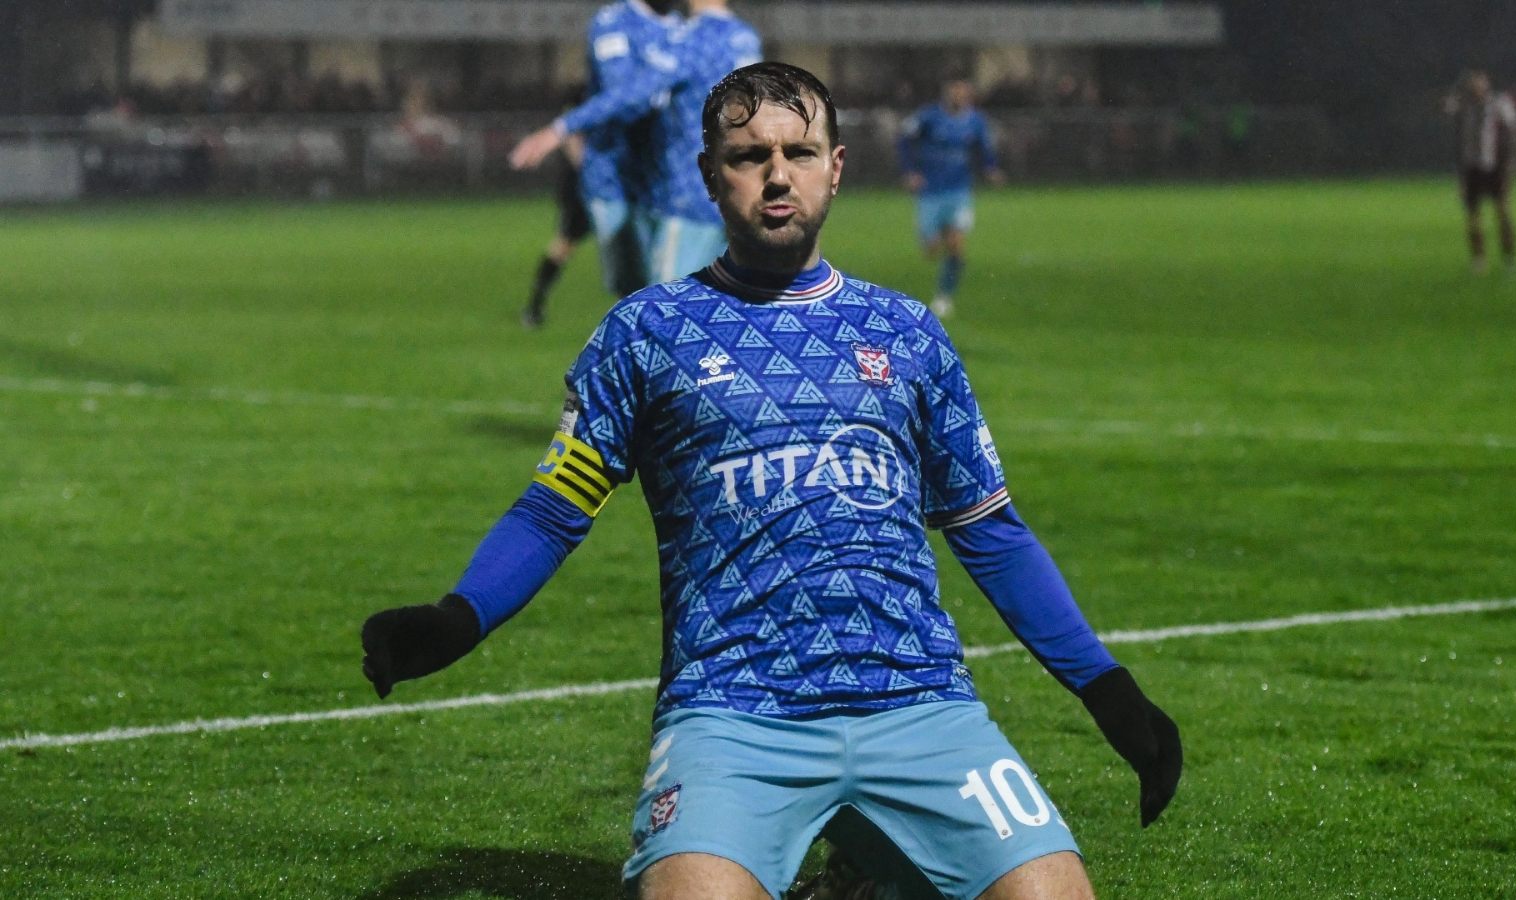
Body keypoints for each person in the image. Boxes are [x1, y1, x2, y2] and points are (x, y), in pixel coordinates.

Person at [361, 63, 1181, 900]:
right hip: (731, 714)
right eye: (750, 155)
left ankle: (866, 871)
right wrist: (455, 618)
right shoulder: (644, 333)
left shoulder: (907, 333)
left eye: (800, 150)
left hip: (921, 705)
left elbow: (990, 530)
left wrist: (1105, 687)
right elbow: (553, 511)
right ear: (710, 175)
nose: (777, 173)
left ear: (837, 166)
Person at [510, 0, 760, 287]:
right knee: (713, 301)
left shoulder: (693, 38)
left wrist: (561, 127)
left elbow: (632, 95)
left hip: (687, 195)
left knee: (661, 308)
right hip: (729, 190)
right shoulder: (743, 36)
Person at [511, 0, 682, 300]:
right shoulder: (613, 22)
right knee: (634, 289)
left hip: (671, 178)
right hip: (613, 176)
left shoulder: (682, 27)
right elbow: (624, 96)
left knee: (673, 285)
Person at [896, 79, 1002, 319]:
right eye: (955, 93)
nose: (959, 97)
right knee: (931, 250)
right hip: (930, 192)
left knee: (956, 245)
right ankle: (933, 238)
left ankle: (944, 297)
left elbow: (984, 148)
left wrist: (991, 168)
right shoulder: (928, 117)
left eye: (964, 93)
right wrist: (910, 172)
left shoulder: (975, 121)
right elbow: (904, 140)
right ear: (947, 94)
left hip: (959, 191)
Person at [523, 88, 595, 328]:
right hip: (581, 190)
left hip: (603, 188)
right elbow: (574, 147)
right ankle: (534, 306)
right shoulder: (580, 97)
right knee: (563, 245)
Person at [1445, 70, 1516, 274]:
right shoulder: (1465, 106)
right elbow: (1455, 131)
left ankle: (1509, 258)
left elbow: (1514, 132)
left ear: (1487, 84)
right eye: (1473, 84)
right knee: (1473, 216)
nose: (1476, 87)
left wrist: (1512, 163)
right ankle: (1479, 260)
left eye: (1480, 83)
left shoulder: (1499, 103)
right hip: (1472, 167)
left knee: (1503, 211)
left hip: (1495, 166)